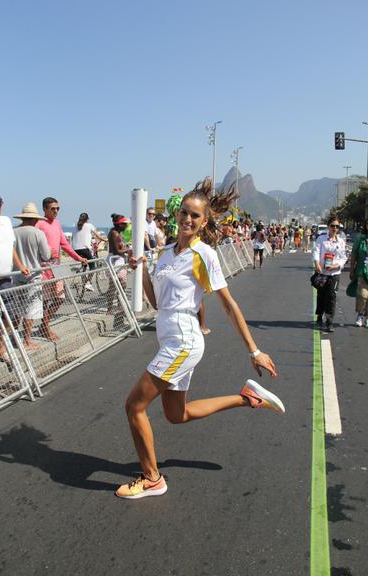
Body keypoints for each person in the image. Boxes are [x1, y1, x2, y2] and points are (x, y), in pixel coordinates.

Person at [116, 178, 285, 500]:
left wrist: (255, 350)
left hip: (183, 340)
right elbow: (157, 303)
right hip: (168, 335)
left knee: (134, 406)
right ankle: (246, 397)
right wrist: (139, 270)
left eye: (195, 216)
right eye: (184, 214)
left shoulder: (203, 254)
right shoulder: (165, 253)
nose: (188, 220)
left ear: (204, 221)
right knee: (176, 415)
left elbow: (228, 304)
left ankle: (153, 479)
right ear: (177, 216)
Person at [36, 197, 88, 341]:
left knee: (60, 297)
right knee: (45, 301)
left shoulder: (57, 223)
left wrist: (78, 258)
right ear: (45, 209)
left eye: (57, 208)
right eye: (52, 209)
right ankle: (45, 328)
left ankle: (44, 326)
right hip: (44, 268)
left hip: (56, 267)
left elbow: (64, 244)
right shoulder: (39, 224)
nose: (56, 211)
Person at [0, 192, 30, 360]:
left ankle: (0, 347)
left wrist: (20, 265)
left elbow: (10, 247)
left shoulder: (7, 222)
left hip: (5, 277)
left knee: (12, 313)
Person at [12, 203, 51, 350]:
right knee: (31, 309)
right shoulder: (38, 233)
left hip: (16, 275)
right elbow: (46, 256)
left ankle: (15, 337)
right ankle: (27, 340)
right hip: (33, 276)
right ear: (35, 219)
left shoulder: (14, 232)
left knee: (16, 308)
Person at [313, 217, 347, 332]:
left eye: (337, 226)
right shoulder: (321, 239)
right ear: (328, 226)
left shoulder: (341, 241)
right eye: (333, 226)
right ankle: (319, 316)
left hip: (334, 273)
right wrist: (317, 263)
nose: (335, 228)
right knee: (321, 295)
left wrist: (336, 266)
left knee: (331, 296)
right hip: (322, 272)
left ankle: (329, 320)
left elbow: (343, 258)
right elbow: (316, 251)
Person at [349, 213, 368, 328]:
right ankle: (360, 314)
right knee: (362, 295)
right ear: (366, 226)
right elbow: (354, 255)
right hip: (362, 272)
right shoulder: (360, 239)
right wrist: (351, 270)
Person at [72, 213, 107, 291]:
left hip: (75, 250)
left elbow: (72, 238)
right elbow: (98, 236)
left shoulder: (75, 227)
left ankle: (82, 272)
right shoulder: (89, 225)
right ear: (87, 219)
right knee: (93, 267)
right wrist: (106, 240)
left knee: (84, 263)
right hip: (84, 249)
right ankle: (88, 283)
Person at [107, 215, 129, 314]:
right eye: (125, 224)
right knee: (114, 286)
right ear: (120, 224)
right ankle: (110, 309)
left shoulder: (116, 232)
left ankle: (119, 307)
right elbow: (116, 251)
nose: (127, 225)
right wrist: (128, 250)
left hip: (117, 260)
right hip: (115, 261)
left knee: (121, 285)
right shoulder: (115, 234)